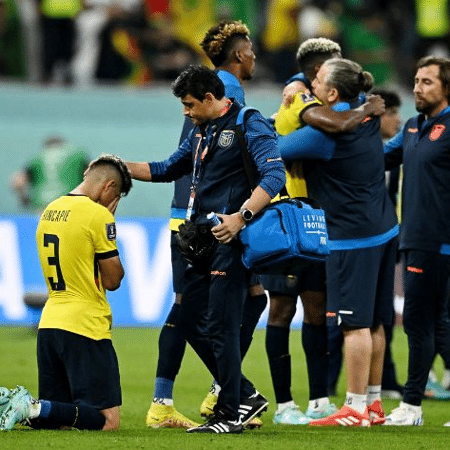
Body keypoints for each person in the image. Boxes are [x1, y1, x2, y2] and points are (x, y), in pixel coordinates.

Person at [127, 65, 285, 434]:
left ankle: (231, 411)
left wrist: (241, 217)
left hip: (230, 239)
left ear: (211, 99)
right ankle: (242, 397)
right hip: (199, 240)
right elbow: (166, 168)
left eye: (189, 105)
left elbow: (274, 176)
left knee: (222, 324)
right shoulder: (202, 130)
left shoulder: (249, 122)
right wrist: (119, 166)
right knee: (188, 318)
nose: (185, 112)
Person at [145, 20, 267, 430]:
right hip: (209, 221)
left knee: (211, 306)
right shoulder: (227, 93)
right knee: (230, 305)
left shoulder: (212, 88)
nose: (254, 56)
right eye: (249, 50)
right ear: (238, 54)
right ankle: (229, 391)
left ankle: (211, 393)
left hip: (196, 217)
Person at [261, 37, 385, 425]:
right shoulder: (301, 100)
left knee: (317, 312)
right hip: (286, 219)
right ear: (318, 72)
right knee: (281, 309)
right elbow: (290, 144)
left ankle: (318, 400)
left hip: (316, 224)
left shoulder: (323, 104)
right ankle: (284, 404)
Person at [0, 154, 132, 431]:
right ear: (108, 187)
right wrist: (108, 221)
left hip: (49, 325)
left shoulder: (51, 208)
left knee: (58, 420)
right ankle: (30, 406)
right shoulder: (98, 216)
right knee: (108, 422)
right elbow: (112, 280)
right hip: (84, 325)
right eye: (116, 195)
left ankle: (26, 408)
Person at [383, 56, 450, 426]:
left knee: (418, 321)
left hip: (437, 241)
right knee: (437, 324)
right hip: (413, 238)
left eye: (427, 82)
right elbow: (378, 159)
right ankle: (412, 406)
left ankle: (411, 407)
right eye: (416, 79)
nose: (417, 88)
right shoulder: (411, 127)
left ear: (446, 88)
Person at [327, 88, 404, 399]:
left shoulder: (364, 149)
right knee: (370, 320)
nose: (397, 120)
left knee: (357, 321)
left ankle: (357, 403)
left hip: (360, 239)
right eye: (392, 113)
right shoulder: (376, 148)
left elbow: (286, 147)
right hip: (382, 236)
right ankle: (369, 398)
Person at [10, 136, 90, 213]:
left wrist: (25, 200)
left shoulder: (37, 157)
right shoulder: (78, 155)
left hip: (43, 206)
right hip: (71, 204)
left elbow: (18, 181)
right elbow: (95, 175)